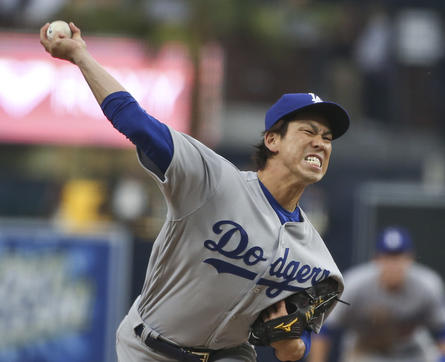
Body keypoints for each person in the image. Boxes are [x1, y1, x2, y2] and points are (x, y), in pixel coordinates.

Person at [40, 22, 350, 362]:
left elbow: (294, 350)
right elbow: (135, 122)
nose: (320, 143)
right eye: (309, 131)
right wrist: (81, 57)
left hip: (230, 355)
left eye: (328, 138)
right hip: (149, 349)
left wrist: (291, 345)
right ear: (272, 140)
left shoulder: (319, 263)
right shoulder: (212, 181)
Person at [308, 227, 445, 362]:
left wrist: (444, 359)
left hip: (412, 349)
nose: (393, 265)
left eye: (399, 257)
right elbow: (325, 327)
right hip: (366, 350)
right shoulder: (354, 285)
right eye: (388, 258)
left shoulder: (428, 284)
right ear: (376, 259)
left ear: (410, 259)